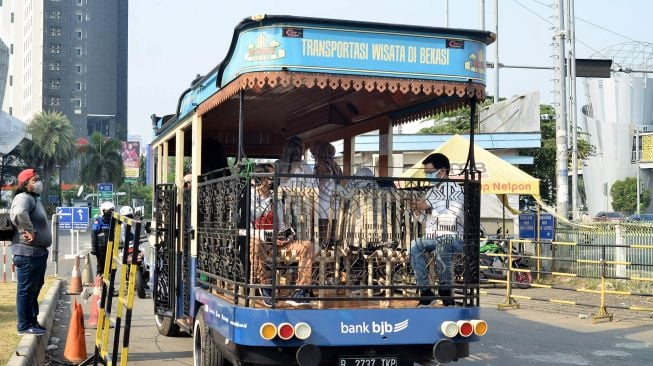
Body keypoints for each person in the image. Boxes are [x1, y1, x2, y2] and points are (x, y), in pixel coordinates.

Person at [250, 163, 313, 307]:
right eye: (272, 177)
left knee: (307, 246)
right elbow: (246, 230)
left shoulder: (276, 199)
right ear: (262, 179)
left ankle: (301, 291)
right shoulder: (249, 199)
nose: (275, 179)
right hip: (259, 241)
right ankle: (266, 285)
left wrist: (286, 236)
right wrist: (267, 236)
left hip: (278, 242)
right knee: (254, 243)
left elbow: (284, 225)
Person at [409, 153, 464, 307]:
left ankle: (446, 291)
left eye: (430, 172)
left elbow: (450, 220)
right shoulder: (431, 191)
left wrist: (428, 205)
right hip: (435, 236)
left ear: (443, 170)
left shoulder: (456, 191)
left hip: (455, 237)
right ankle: (426, 292)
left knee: (443, 242)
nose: (428, 175)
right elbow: (430, 223)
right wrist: (418, 213)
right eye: (426, 173)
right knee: (415, 244)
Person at [10, 168, 51, 336]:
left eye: (39, 179)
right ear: (25, 184)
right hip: (27, 253)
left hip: (37, 253)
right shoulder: (23, 197)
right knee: (26, 289)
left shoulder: (33, 198)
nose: (39, 182)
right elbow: (19, 212)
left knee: (33, 289)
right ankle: (24, 325)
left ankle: (32, 321)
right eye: (35, 180)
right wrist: (29, 229)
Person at [310, 140, 342, 247]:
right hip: (336, 204)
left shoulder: (321, 166)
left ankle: (321, 259)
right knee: (332, 237)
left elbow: (319, 184)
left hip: (323, 205)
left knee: (322, 238)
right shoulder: (336, 165)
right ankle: (331, 261)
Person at [92, 201, 115, 276]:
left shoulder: (114, 221)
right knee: (100, 266)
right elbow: (94, 234)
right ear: (103, 210)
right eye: (108, 211)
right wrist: (94, 248)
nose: (110, 213)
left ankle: (108, 285)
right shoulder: (98, 220)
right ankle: (99, 284)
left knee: (110, 266)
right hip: (100, 247)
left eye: (111, 211)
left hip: (111, 246)